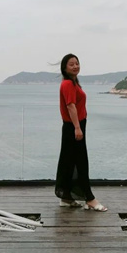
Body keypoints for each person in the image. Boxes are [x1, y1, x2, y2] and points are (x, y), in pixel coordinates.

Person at [54, 53, 108, 212]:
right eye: (71, 64)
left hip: (73, 126)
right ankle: (90, 199)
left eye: (77, 63)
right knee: (81, 162)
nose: (75, 66)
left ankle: (66, 197)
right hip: (74, 127)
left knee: (69, 161)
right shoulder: (68, 84)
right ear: (64, 68)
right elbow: (70, 106)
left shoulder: (73, 83)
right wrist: (77, 128)